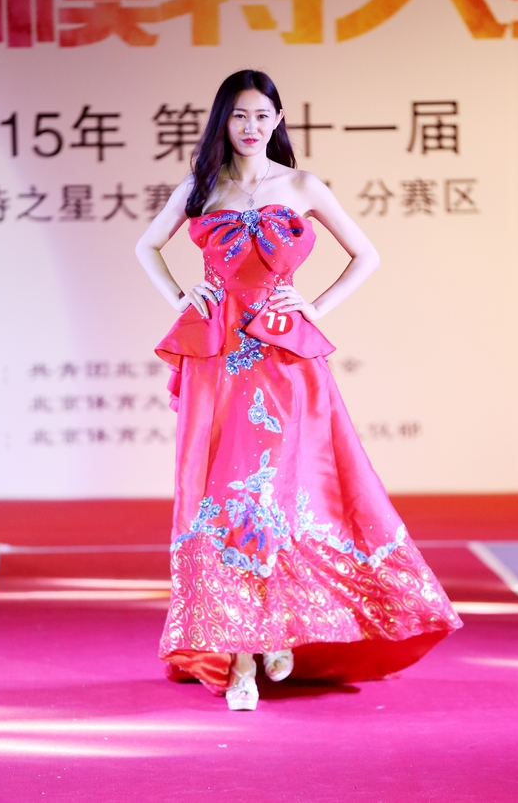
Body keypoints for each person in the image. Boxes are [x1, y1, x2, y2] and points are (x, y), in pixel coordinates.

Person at [135, 69, 462, 711]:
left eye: (262, 115)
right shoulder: (201, 187)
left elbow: (366, 256)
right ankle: (243, 660)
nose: (250, 126)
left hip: (287, 358)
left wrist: (315, 307)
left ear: (278, 120)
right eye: (239, 115)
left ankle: (280, 628)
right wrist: (180, 296)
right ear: (222, 121)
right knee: (225, 495)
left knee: (285, 490)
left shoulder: (303, 185)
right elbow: (148, 246)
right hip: (219, 358)